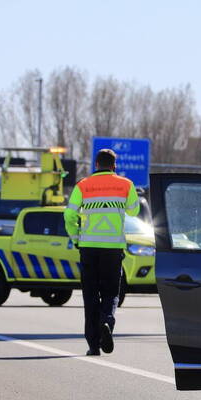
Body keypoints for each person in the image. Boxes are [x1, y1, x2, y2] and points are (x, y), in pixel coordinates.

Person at [64, 149, 140, 356]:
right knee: (111, 293)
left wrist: (76, 237)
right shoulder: (126, 184)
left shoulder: (83, 185)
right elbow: (134, 211)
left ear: (96, 164)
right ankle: (106, 321)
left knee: (90, 295)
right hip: (113, 249)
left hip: (88, 248)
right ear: (114, 166)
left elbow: (69, 215)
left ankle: (93, 345)